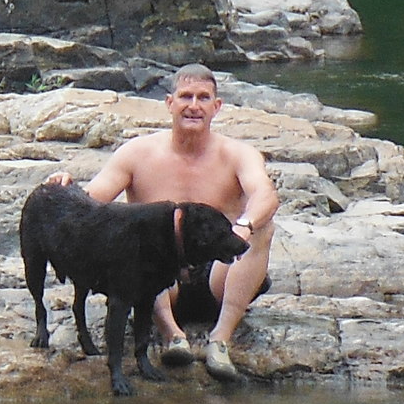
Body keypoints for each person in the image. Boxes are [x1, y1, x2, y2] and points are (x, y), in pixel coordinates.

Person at [45, 65, 277, 381]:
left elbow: (265, 194)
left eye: (203, 98)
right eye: (185, 96)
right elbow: (92, 203)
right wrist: (66, 188)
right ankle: (171, 335)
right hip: (156, 286)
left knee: (263, 225)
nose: (193, 105)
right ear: (169, 103)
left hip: (220, 279)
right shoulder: (137, 153)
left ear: (216, 107)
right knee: (136, 239)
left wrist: (244, 225)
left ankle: (219, 341)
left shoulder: (239, 154)